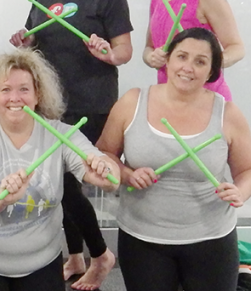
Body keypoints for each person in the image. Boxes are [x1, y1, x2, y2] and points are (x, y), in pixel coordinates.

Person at [9, 0, 130, 289]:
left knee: (67, 182)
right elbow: (34, 38)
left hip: (91, 101)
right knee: (55, 182)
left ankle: (100, 255)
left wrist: (106, 52)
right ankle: (75, 255)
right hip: (50, 103)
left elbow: (123, 51)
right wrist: (24, 41)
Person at [0, 50, 120, 291]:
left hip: (42, 261)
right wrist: (4, 197)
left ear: (37, 95)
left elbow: (110, 179)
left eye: (24, 89)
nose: (15, 98)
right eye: (6, 89)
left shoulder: (60, 133)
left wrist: (104, 171)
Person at [97, 27, 251, 291]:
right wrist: (126, 174)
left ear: (212, 71)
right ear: (167, 60)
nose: (188, 67)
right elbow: (105, 153)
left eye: (200, 61)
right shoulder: (132, 102)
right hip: (142, 239)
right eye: (182, 56)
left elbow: (248, 170)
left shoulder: (228, 113)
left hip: (212, 239)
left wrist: (240, 191)